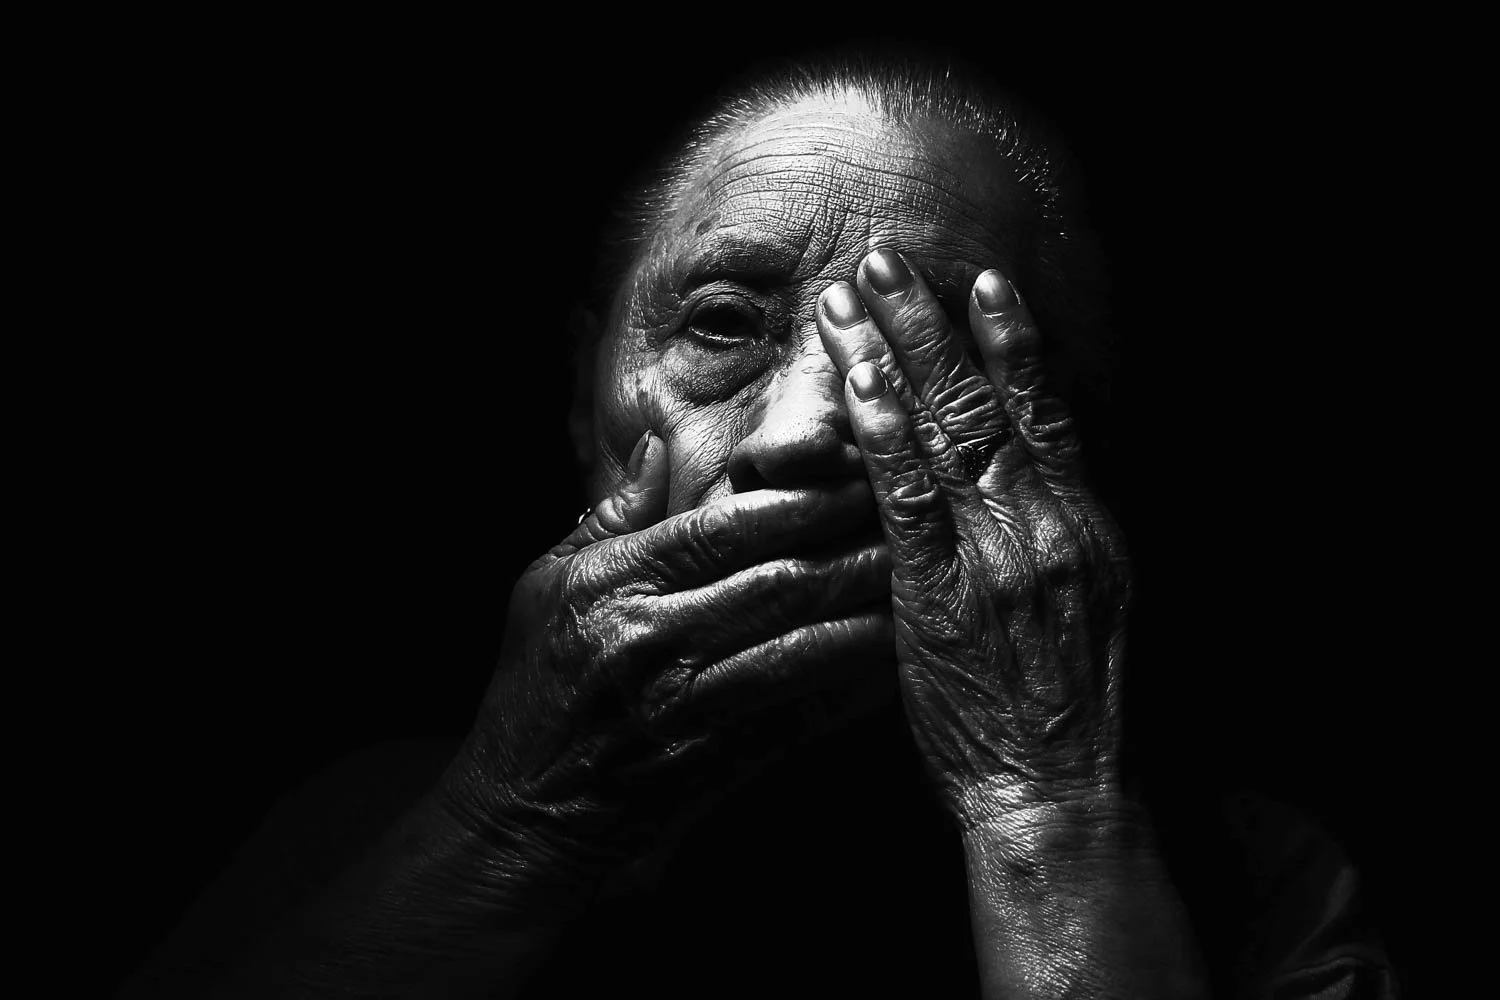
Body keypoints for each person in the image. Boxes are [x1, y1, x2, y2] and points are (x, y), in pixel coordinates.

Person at [123, 54, 1399, 999]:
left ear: (1060, 453)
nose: (804, 432)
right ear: (590, 400)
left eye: (927, 351)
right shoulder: (361, 836)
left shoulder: (1252, 891)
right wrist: (512, 827)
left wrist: (1046, 816)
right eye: (725, 325)